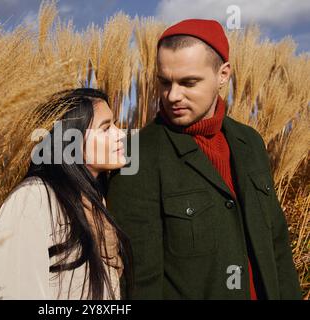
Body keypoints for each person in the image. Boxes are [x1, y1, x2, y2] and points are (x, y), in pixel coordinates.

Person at [107, 19, 302, 299]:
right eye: (164, 82)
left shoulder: (251, 143)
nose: (173, 96)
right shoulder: (136, 155)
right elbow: (141, 282)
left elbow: (277, 246)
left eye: (189, 82)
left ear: (223, 74)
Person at [0, 88, 133, 300]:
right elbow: (1, 292)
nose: (121, 134)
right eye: (105, 128)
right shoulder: (33, 199)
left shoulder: (96, 202)